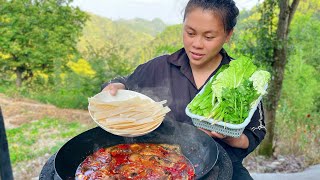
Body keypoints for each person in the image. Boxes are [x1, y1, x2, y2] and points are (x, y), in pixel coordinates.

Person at [101, 0, 266, 179]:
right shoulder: (161, 66)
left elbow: (256, 132)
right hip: (161, 165)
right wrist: (116, 87)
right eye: (190, 33)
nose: (197, 44)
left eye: (209, 37)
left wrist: (232, 138)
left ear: (228, 35)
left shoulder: (241, 77)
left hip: (223, 170)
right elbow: (125, 83)